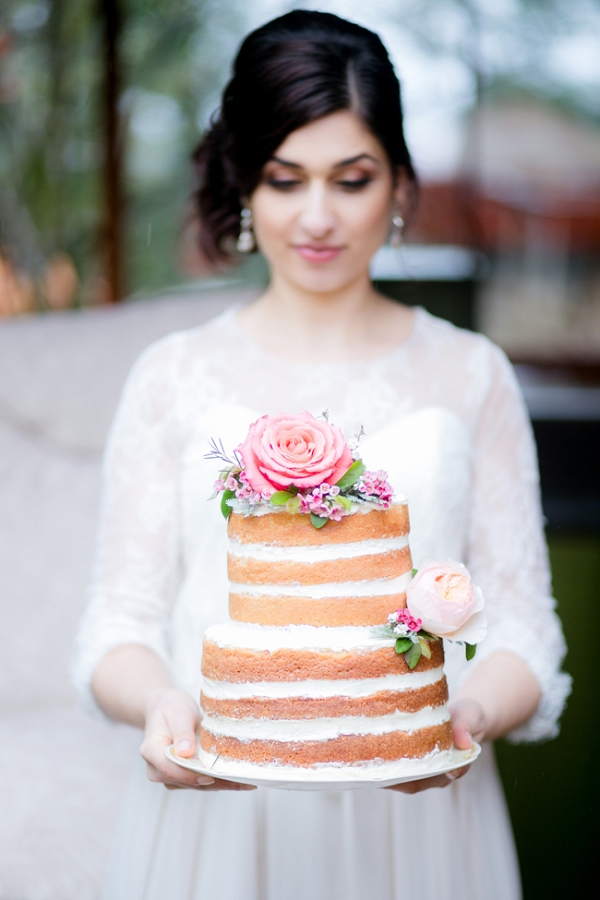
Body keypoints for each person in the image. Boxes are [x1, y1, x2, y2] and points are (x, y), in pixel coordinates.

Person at [73, 11, 571, 900]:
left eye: (352, 179)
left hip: (418, 818)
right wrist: (161, 707)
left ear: (401, 186)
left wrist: (462, 716)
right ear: (243, 187)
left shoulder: (471, 372)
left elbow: (528, 630)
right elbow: (118, 624)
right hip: (221, 809)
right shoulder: (171, 375)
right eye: (283, 178)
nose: (316, 217)